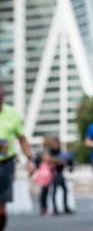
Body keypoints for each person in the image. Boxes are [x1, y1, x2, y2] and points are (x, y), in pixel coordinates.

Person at [0, 84, 34, 230]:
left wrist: (30, 160)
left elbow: (22, 139)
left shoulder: (12, 114)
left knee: (1, 204)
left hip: (6, 162)